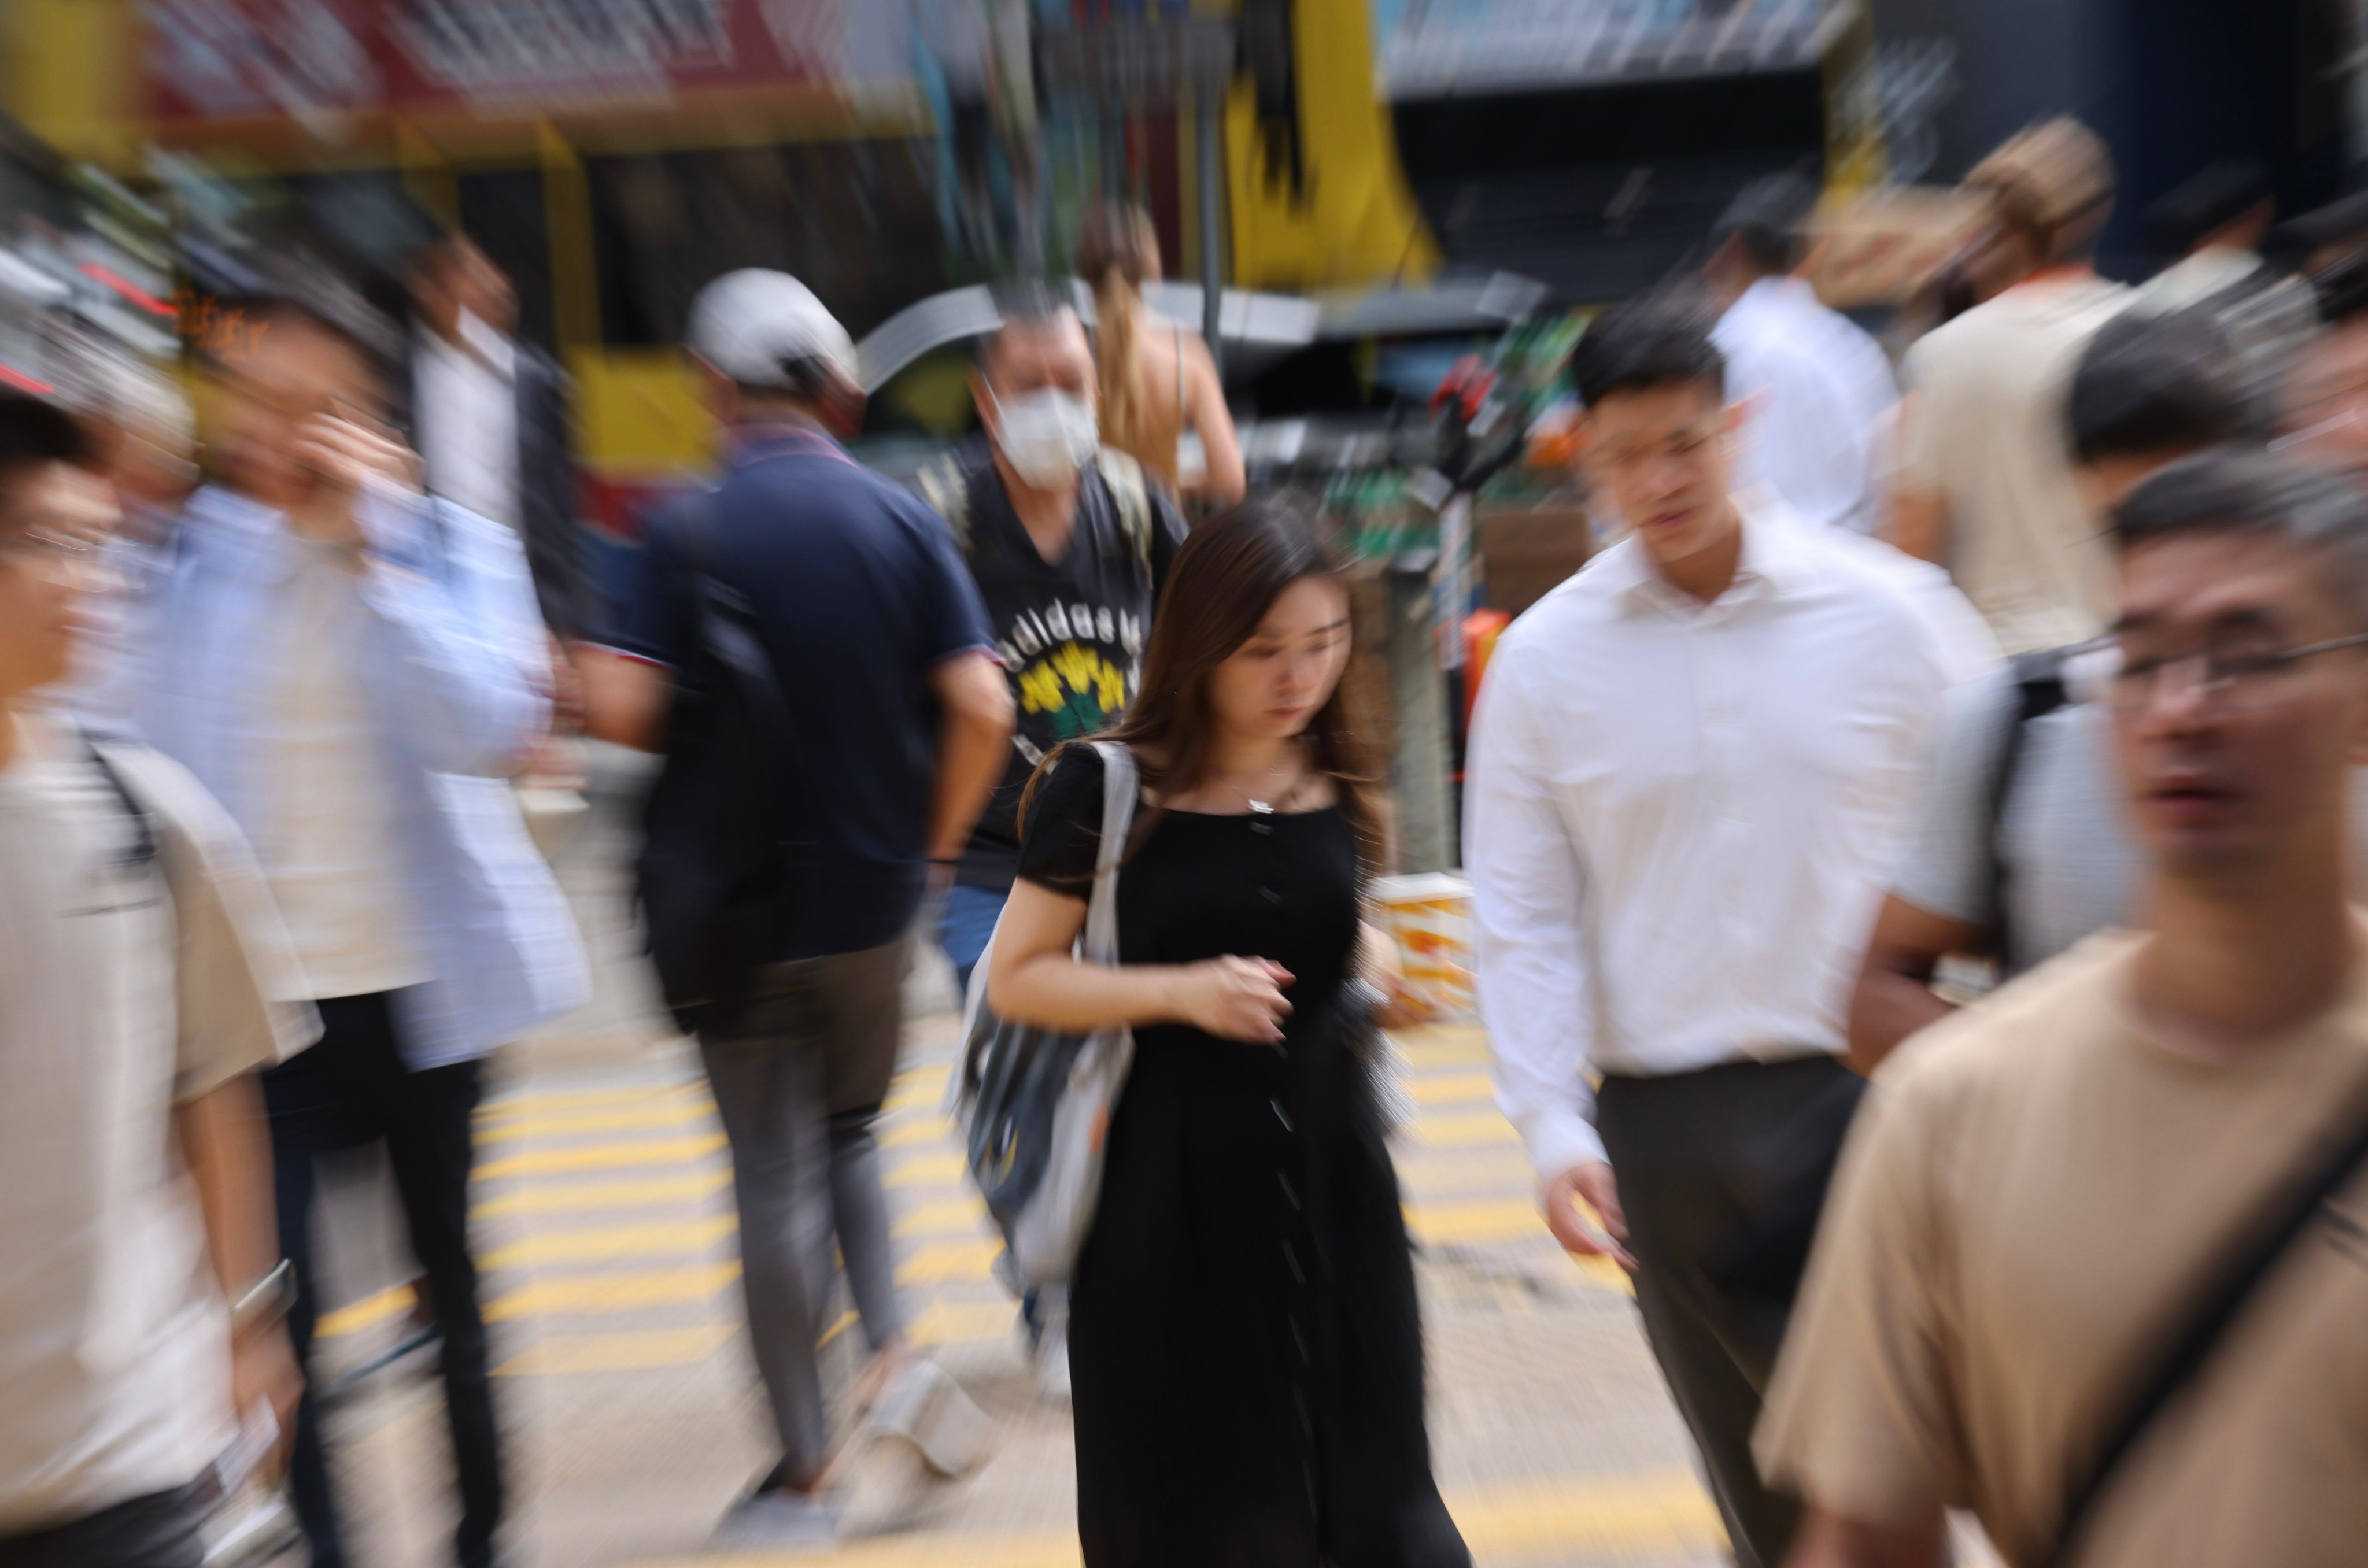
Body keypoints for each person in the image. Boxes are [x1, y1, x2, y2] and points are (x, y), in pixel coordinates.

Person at [1760, 449, 2368, 1568]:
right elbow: (1861, 1538)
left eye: (2248, 657)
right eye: (2137, 660)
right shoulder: (1950, 1109)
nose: (2182, 709)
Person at [1465, 298, 1983, 1568]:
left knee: (1905, 1473)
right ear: (1582, 454)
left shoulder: (1893, 614)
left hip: (1867, 1102)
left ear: (1738, 428)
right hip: (1664, 1127)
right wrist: (1549, 1126)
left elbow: (1996, 823)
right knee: (1755, 1484)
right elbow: (1520, 913)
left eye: (1686, 445)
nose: (1660, 481)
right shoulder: (1543, 662)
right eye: (1628, 454)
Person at [123, 275, 589, 1568]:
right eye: (255, 399)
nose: (278, 430)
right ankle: (325, 1544)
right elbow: (141, 761)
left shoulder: (439, 548)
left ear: (370, 415)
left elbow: (490, 733)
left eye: (312, 404)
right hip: (264, 1013)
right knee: (289, 1304)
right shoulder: (181, 558)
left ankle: (483, 1537)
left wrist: (372, 559)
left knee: (454, 1278)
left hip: (425, 996)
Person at [579, 268, 1013, 1546]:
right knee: (852, 1135)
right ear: (830, 387)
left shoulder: (681, 530)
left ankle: (807, 1474)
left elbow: (629, 712)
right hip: (876, 907)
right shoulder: (901, 519)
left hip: (737, 916)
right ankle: (890, 1352)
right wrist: (930, 852)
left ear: (712, 390)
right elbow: (983, 707)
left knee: (768, 1174)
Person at [988, 495, 1466, 1568]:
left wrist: (1386, 975)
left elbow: (1338, 940)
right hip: (1170, 1197)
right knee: (1201, 1502)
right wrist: (1182, 990)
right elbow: (1018, 976)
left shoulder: (1333, 775)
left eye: (1325, 644)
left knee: (1376, 1487)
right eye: (1265, 652)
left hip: (1336, 1183)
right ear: (1198, 644)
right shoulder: (1107, 788)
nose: (1300, 678)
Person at [0, 394, 311, 1566]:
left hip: (130, 1457)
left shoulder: (151, 818)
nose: (96, 578)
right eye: (51, 543)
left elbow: (212, 1088)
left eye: (103, 543)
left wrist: (249, 1328)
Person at [1850, 308, 2249, 1066]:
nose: (2167, 562)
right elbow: (1868, 992)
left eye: (2199, 518)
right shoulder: (2012, 725)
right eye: (2128, 530)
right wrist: (2045, 1101)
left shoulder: (2326, 706)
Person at [913, 282, 1189, 1003]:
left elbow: (1204, 646)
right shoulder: (943, 522)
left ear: (1097, 389)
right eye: (1028, 385)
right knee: (1020, 1050)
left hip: (1129, 853)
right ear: (986, 399)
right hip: (989, 869)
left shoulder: (1137, 509)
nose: (1052, 402)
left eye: (1069, 382)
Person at [1890, 117, 2131, 654]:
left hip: (2001, 664)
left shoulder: (1945, 356)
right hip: (2127, 653)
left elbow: (1912, 555)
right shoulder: (2147, 330)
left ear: (2000, 227)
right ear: (2098, 212)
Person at [405, 231, 597, 642]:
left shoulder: (533, 380)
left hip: (528, 602)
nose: (486, 289)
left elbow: (558, 511)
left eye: (481, 276)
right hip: (438, 601)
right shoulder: (402, 374)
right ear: (428, 289)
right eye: (460, 276)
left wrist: (568, 619)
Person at [1705, 173, 1899, 534]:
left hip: (1775, 571)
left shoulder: (1729, 346)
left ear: (1734, 250)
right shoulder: (1852, 345)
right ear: (1809, 256)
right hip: (1860, 562)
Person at [1074, 201, 1246, 504]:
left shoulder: (1073, 352)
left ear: (1087, 275)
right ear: (1154, 270)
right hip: (1166, 538)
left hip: (1095, 535)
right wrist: (1168, 483)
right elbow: (1231, 479)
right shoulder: (1185, 354)